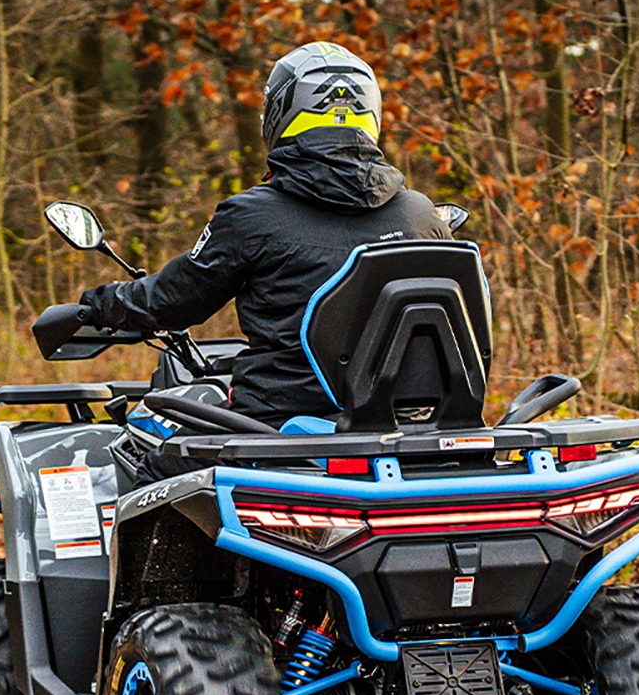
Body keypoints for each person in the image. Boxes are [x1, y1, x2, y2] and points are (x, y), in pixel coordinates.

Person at [80, 41, 453, 484]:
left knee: (155, 466)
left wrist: (97, 305)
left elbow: (172, 300)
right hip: (409, 430)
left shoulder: (252, 215)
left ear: (280, 113)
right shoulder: (420, 214)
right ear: (372, 113)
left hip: (276, 429)